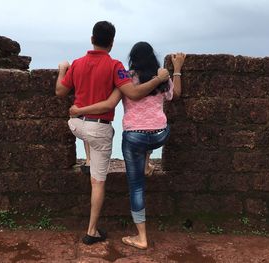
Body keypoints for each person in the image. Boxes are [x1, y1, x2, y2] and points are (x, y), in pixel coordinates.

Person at [55, 22, 170, 245]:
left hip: (76, 125)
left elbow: (60, 91)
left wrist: (62, 69)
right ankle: (91, 231)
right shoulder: (115, 66)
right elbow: (132, 94)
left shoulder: (77, 64)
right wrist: (158, 79)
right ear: (112, 42)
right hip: (98, 127)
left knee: (89, 135)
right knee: (97, 182)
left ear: (91, 39)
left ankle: (88, 159)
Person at [69, 42, 186, 249]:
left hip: (134, 137)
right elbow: (175, 94)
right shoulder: (161, 77)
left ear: (133, 59)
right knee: (151, 136)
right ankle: (147, 163)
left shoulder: (126, 78)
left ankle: (141, 237)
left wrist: (81, 109)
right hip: (160, 134)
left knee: (137, 186)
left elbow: (111, 102)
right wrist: (176, 70)